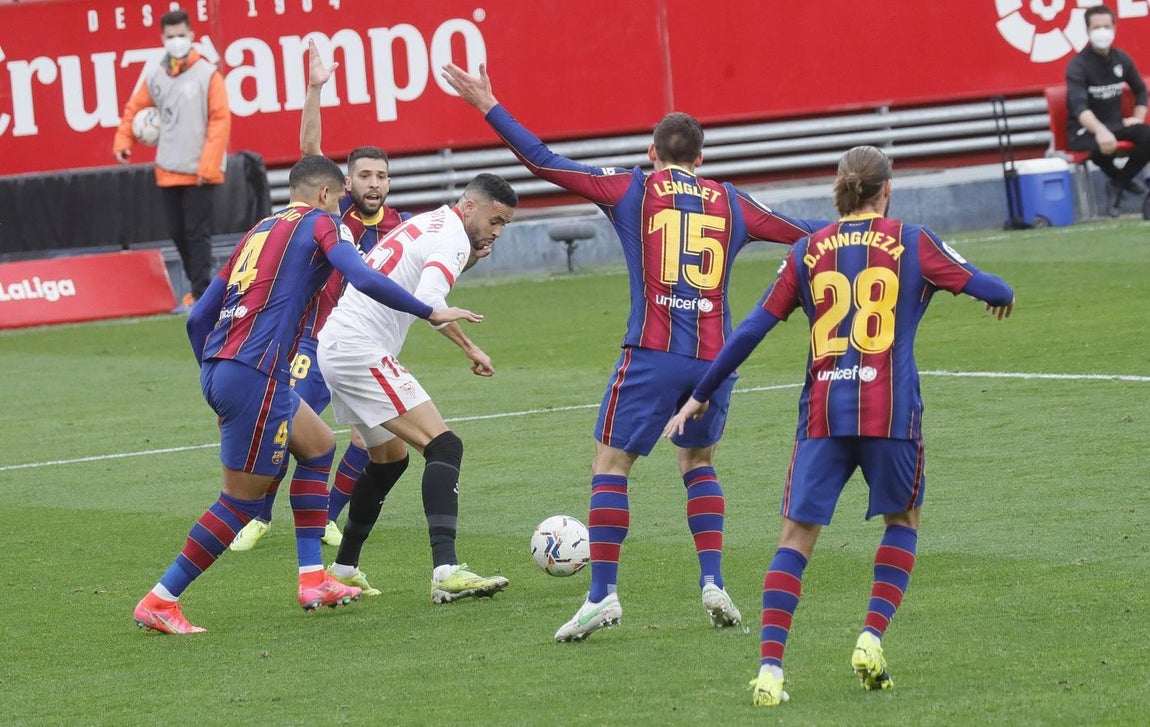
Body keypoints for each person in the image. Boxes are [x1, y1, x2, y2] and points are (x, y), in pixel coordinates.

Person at [442, 63, 827, 641]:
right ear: (701, 158)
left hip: (652, 352)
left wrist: (487, 105)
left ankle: (602, 595)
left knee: (611, 465)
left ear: (653, 152)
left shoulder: (633, 188)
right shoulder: (733, 202)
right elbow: (807, 232)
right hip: (715, 360)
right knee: (698, 462)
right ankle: (713, 582)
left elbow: (543, 161)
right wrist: (877, 230)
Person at [663, 146, 1015, 707]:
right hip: (890, 412)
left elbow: (752, 328)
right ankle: (871, 637)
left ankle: (770, 670)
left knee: (795, 539)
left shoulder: (807, 250)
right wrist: (1001, 295)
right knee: (902, 520)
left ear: (840, 190)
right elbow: (993, 289)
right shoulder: (913, 241)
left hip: (823, 414)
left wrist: (700, 395)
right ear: (886, 189)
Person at [132, 155, 481, 634]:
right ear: (324, 194)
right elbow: (362, 278)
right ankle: (161, 599)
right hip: (256, 373)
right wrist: (429, 310)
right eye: (339, 200)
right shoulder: (322, 223)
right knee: (241, 502)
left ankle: (314, 579)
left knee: (318, 447)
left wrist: (215, 381)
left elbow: (198, 319)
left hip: (228, 369)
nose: (341, 211)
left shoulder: (258, 231)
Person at [229, 40, 410, 555]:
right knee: (289, 425)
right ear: (347, 182)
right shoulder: (334, 211)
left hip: (363, 342)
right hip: (313, 337)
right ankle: (259, 515)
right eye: (365, 175)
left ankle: (326, 516)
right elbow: (310, 151)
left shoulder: (398, 226)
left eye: (381, 176)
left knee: (370, 433)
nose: (373, 183)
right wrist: (314, 88)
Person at [318, 173, 517, 603]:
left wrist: (467, 260)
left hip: (338, 345)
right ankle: (445, 571)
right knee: (444, 446)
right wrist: (469, 345)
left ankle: (343, 570)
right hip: (358, 349)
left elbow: (421, 277)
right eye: (496, 220)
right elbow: (431, 301)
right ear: (470, 206)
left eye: (504, 225)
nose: (498, 232)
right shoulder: (453, 238)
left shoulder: (429, 222)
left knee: (389, 461)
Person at [113, 8, 231, 310]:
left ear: (191, 35)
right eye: (171, 36)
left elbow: (220, 121)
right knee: (178, 234)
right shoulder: (156, 75)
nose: (176, 41)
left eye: (181, 35)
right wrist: (124, 140)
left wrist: (208, 164)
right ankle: (200, 291)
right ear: (162, 39)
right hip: (168, 167)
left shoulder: (207, 74)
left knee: (197, 234)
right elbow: (135, 108)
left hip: (200, 171)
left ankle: (201, 294)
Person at [1065, 3, 1150, 217]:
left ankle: (1118, 184)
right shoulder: (1078, 65)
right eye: (1096, 27)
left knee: (1147, 135)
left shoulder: (1122, 59)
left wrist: (1137, 118)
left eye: (1106, 26)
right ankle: (1124, 182)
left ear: (1114, 28)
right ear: (1087, 31)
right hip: (1085, 131)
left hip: (1116, 126)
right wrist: (1100, 130)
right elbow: (1079, 108)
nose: (1102, 32)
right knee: (1098, 150)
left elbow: (1141, 90)